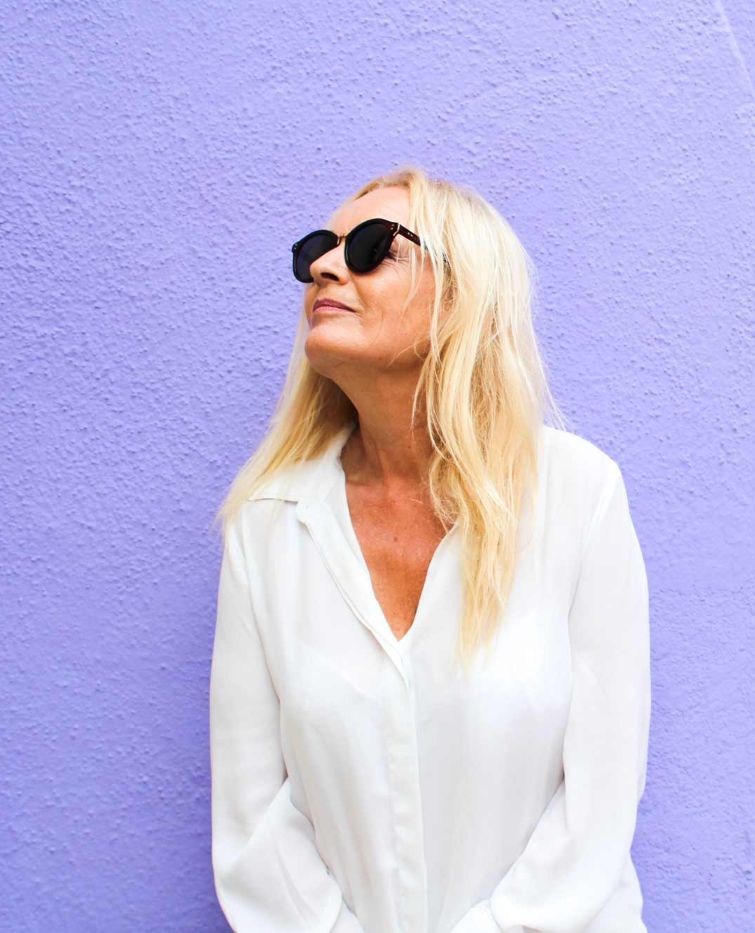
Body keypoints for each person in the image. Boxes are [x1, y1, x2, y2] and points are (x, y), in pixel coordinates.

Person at [208, 166, 651, 932]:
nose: (326, 267)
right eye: (317, 249)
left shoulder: (579, 496)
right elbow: (252, 828)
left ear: (462, 296)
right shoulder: (268, 526)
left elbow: (599, 802)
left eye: (372, 247)